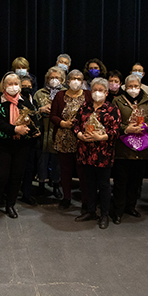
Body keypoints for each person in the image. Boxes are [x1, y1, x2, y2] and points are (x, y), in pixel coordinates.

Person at [0, 72, 40, 222]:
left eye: (15, 83)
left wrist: (34, 130)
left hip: (21, 146)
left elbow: (34, 119)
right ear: (3, 86)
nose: (12, 87)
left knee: (16, 177)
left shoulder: (26, 103)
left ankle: (10, 205)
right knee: (0, 177)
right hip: (2, 145)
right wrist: (15, 129)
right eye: (9, 84)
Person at [112, 74, 148, 224]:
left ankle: (131, 206)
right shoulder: (117, 101)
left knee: (135, 181)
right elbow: (113, 123)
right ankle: (118, 211)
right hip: (123, 148)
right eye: (130, 86)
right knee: (121, 182)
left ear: (141, 86)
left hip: (141, 148)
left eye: (136, 86)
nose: (133, 89)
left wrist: (145, 126)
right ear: (125, 87)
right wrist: (127, 129)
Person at [73, 78, 121, 229]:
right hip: (86, 152)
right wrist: (79, 135)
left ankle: (104, 214)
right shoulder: (84, 107)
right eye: (95, 90)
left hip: (103, 153)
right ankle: (90, 211)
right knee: (89, 184)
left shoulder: (112, 109)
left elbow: (116, 130)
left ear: (106, 93)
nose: (97, 93)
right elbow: (75, 124)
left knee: (104, 185)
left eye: (101, 90)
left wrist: (102, 137)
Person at [50, 69, 91, 211]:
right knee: (65, 170)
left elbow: (93, 113)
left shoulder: (88, 95)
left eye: (79, 79)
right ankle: (66, 197)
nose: (76, 81)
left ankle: (86, 200)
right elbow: (53, 115)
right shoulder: (60, 95)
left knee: (83, 171)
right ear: (67, 81)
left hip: (83, 138)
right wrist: (62, 123)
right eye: (73, 78)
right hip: (64, 137)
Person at [33, 66, 66, 198]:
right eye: (51, 78)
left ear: (62, 79)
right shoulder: (39, 93)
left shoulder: (65, 93)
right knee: (42, 160)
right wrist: (41, 110)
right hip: (42, 132)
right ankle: (41, 184)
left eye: (57, 78)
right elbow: (31, 112)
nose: (54, 80)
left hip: (58, 131)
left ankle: (56, 184)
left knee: (57, 162)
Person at [19, 76, 40, 205]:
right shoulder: (18, 102)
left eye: (29, 86)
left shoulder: (34, 102)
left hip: (32, 141)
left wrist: (38, 130)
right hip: (19, 140)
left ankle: (26, 193)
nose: (27, 89)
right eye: (24, 86)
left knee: (30, 168)